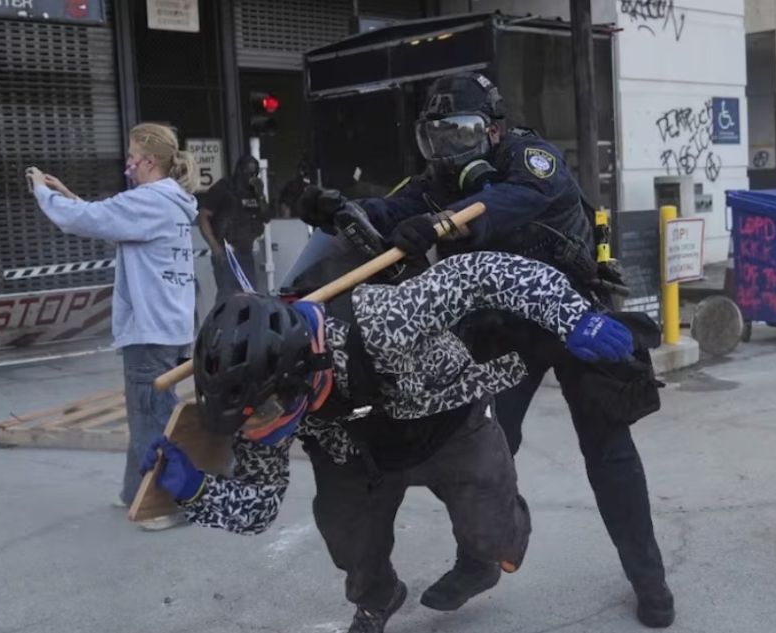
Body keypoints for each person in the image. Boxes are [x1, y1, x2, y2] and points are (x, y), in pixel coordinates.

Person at [296, 72, 675, 628]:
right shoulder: (434, 184)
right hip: (501, 331)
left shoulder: (534, 158)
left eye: (462, 136)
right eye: (437, 139)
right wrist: (337, 211)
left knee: (609, 450)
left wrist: (442, 224)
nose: (448, 152)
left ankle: (651, 583)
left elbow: (518, 198)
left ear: (494, 131)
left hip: (573, 316)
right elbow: (387, 213)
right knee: (481, 448)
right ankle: (481, 558)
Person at [141, 251, 637, 633]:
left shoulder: (384, 319)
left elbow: (481, 273)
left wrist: (568, 314)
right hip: (354, 451)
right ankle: (378, 598)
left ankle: (486, 552)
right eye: (244, 423)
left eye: (264, 416)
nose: (257, 432)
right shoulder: (259, 403)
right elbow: (259, 508)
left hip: (448, 424)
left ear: (302, 372)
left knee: (492, 536)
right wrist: (194, 491)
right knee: (348, 540)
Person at [26, 122, 199, 532]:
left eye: (131, 157)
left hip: (149, 328)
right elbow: (107, 220)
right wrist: (69, 196)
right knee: (150, 413)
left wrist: (41, 190)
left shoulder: (148, 201)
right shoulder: (170, 202)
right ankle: (133, 492)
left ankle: (163, 504)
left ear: (149, 161)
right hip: (171, 326)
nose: (128, 165)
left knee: (149, 419)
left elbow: (84, 221)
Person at [198, 155, 272, 299]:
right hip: (227, 252)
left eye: (255, 173)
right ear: (240, 171)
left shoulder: (254, 191)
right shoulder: (223, 188)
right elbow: (203, 218)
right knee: (228, 297)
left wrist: (260, 195)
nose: (252, 177)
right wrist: (215, 247)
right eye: (249, 173)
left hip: (247, 251)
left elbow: (266, 217)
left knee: (250, 296)